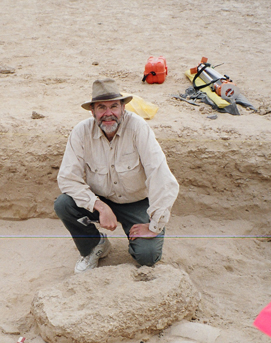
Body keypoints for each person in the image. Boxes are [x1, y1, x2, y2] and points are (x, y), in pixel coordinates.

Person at [55, 78, 180, 273]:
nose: (108, 113)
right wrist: (99, 206)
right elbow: (67, 178)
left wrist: (154, 226)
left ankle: (137, 242)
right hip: (101, 198)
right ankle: (94, 246)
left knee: (148, 257)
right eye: (101, 108)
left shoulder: (138, 128)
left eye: (114, 106)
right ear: (93, 112)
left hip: (137, 202)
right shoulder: (81, 132)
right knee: (63, 204)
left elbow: (161, 177)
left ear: (123, 108)